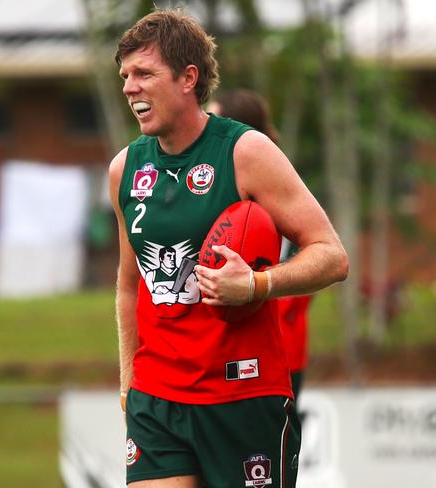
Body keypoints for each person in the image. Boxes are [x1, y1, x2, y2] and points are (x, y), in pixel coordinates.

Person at [109, 8, 348, 488]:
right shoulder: (124, 168)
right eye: (125, 76)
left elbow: (331, 254)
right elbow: (128, 286)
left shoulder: (246, 152)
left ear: (187, 79)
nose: (130, 87)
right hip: (157, 400)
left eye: (144, 73)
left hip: (243, 394)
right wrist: (128, 378)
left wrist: (257, 284)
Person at [208, 89, 313, 402]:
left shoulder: (274, 189)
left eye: (215, 120)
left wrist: (252, 289)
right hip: (230, 348)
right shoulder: (222, 189)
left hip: (275, 349)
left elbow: (313, 268)